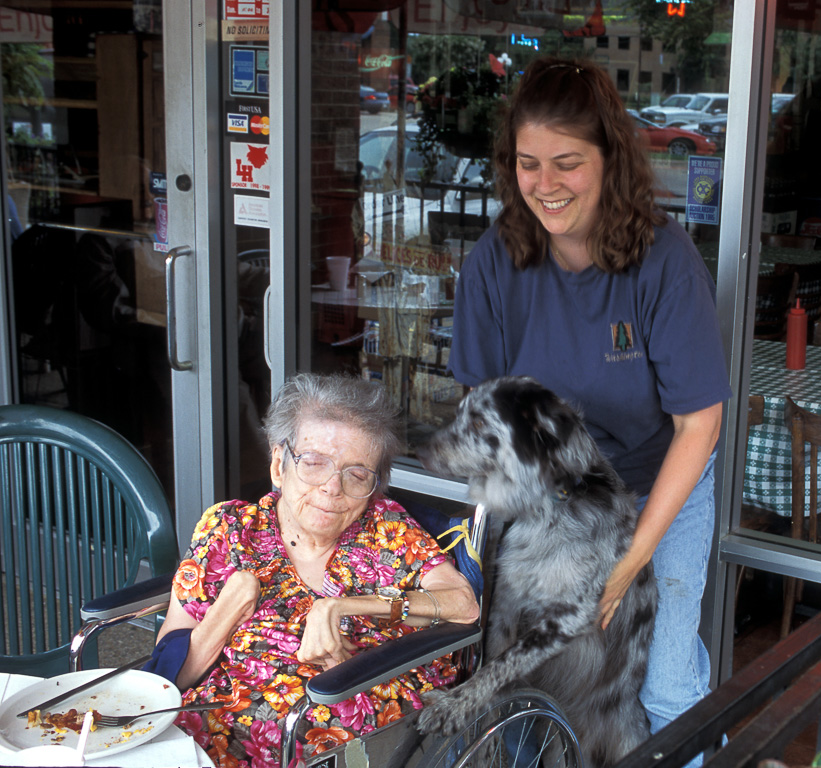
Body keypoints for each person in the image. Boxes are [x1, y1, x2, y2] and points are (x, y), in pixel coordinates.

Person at [448, 57, 732, 750]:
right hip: (551, 502)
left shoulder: (664, 263)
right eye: (527, 163)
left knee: (661, 683)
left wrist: (630, 560)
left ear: (609, 159)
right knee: (527, 677)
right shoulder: (495, 259)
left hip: (655, 484)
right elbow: (481, 408)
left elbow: (699, 424)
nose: (545, 185)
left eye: (566, 163)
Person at [150, 373, 479, 767]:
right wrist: (229, 607)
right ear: (278, 465)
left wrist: (344, 606)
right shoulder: (228, 529)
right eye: (314, 463)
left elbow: (464, 604)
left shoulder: (388, 531)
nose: (331, 488)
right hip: (204, 725)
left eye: (356, 474)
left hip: (326, 726)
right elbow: (167, 679)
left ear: (374, 486)